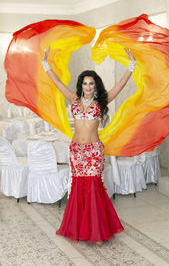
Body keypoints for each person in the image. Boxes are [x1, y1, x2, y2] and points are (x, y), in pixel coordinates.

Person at [42, 47, 136, 242]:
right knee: (78, 187)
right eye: (85, 83)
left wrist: (131, 65)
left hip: (93, 151)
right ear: (81, 85)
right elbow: (57, 82)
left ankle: (97, 231)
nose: (87, 86)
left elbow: (120, 84)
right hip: (76, 150)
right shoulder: (74, 99)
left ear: (95, 85)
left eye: (91, 83)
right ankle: (78, 228)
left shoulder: (102, 101)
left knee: (93, 186)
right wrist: (45, 65)